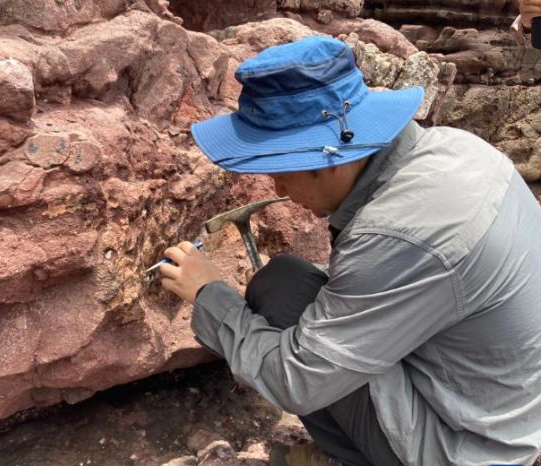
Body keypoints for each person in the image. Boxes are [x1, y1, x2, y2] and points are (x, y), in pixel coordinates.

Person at [157, 36, 541, 466]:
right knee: (293, 281)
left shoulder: (397, 232)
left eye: (281, 171)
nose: (278, 190)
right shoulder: (456, 147)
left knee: (282, 295)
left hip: (468, 449)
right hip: (505, 412)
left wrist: (210, 293)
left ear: (332, 157)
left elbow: (295, 382)